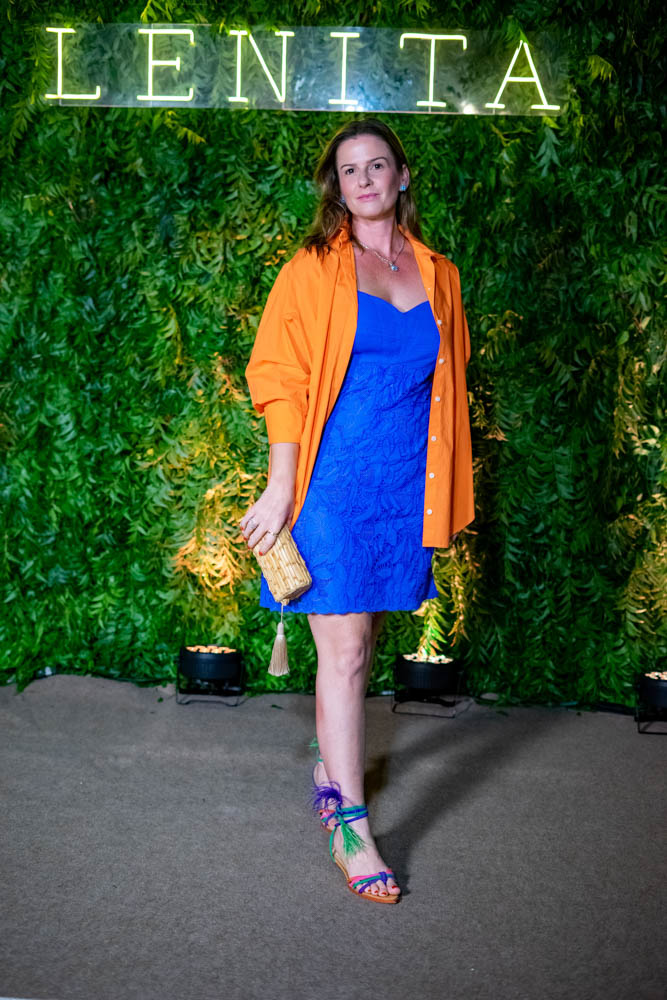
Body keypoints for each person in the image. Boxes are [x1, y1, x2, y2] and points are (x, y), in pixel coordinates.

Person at [239, 117, 474, 903]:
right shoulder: (311, 268)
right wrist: (281, 486)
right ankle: (350, 827)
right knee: (341, 655)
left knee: (363, 641)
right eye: (349, 170)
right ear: (335, 188)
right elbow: (279, 377)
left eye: (378, 165)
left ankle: (329, 762)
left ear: (402, 177)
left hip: (402, 486)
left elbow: (448, 386)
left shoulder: (439, 273)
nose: (365, 179)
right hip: (331, 484)